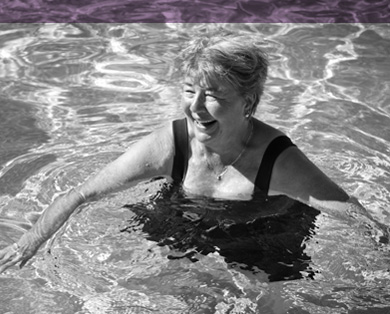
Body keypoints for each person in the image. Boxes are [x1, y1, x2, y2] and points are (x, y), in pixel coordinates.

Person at [0, 31, 385, 274]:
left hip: (268, 228)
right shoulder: (171, 143)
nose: (195, 108)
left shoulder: (279, 160)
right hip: (187, 213)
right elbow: (82, 194)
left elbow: (357, 215)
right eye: (189, 91)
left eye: (213, 96)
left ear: (247, 101)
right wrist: (28, 242)